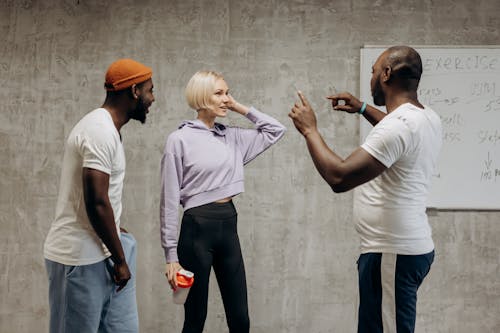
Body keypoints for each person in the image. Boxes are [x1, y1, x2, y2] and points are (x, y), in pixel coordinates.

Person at [288, 46, 442, 333]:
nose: (370, 77)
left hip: (393, 252)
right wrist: (361, 107)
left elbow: (339, 177)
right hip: (404, 249)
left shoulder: (400, 126)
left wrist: (310, 130)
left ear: (386, 74)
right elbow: (397, 135)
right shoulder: (424, 117)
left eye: (373, 70)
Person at [160, 70, 286, 333]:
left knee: (240, 320)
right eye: (219, 93)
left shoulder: (233, 137)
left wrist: (239, 107)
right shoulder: (179, 139)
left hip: (228, 224)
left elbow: (276, 129)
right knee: (195, 319)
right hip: (196, 229)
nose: (226, 99)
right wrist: (171, 255)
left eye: (227, 92)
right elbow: (169, 200)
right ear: (201, 96)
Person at [43, 58, 155, 333]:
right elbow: (96, 201)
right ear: (134, 91)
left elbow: (102, 199)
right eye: (150, 90)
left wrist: (116, 231)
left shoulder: (108, 129)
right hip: (80, 257)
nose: (153, 98)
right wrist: (120, 260)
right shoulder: (99, 130)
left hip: (105, 249)